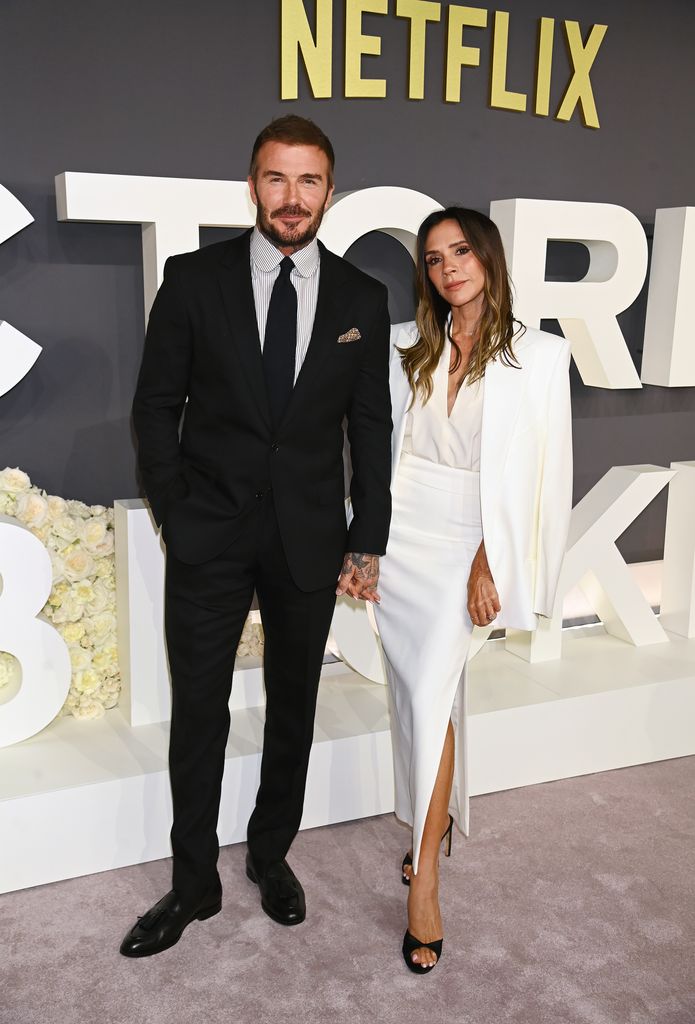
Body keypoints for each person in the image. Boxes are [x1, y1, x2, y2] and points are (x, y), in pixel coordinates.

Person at [121, 115, 392, 957]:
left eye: (308, 181)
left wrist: (366, 534)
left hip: (308, 537)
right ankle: (192, 880)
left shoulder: (361, 298)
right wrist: (175, 506)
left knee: (294, 705)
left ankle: (271, 854)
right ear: (252, 185)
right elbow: (155, 407)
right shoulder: (193, 279)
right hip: (210, 531)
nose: (291, 197)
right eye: (277, 179)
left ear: (329, 193)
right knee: (198, 708)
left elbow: (370, 426)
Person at [374, 207, 572, 974]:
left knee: (428, 694)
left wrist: (495, 555)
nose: (447, 267)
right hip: (399, 535)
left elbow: (539, 472)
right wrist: (362, 543)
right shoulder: (403, 344)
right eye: (432, 258)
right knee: (414, 693)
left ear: (487, 257)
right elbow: (378, 448)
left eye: (460, 251)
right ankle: (435, 823)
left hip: (466, 541)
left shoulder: (540, 357)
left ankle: (424, 880)